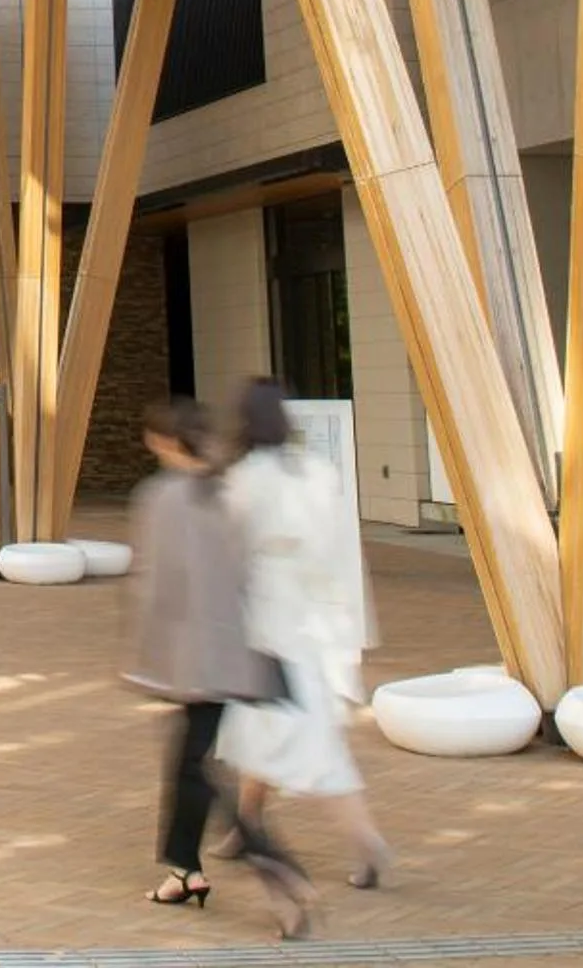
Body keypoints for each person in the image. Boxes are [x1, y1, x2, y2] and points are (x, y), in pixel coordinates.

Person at [125, 395, 300, 929]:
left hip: (196, 661)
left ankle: (279, 878)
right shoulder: (231, 489)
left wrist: (146, 662)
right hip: (241, 655)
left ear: (165, 440)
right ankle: (184, 871)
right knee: (191, 765)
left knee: (199, 770)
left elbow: (157, 587)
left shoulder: (164, 497)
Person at [216, 378, 389, 893]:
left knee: (304, 744)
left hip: (268, 623)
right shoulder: (316, 471)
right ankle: (247, 823)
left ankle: (367, 841)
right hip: (315, 619)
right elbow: (337, 549)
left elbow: (230, 552)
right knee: (259, 730)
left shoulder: (246, 478)